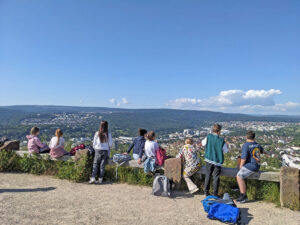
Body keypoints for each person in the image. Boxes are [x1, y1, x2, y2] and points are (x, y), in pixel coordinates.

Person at [201, 124, 230, 197]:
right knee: (216, 177)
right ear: (219, 131)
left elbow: (203, 143)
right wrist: (225, 144)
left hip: (208, 159)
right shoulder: (221, 140)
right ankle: (215, 194)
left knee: (208, 175)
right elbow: (225, 151)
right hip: (217, 161)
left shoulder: (209, 137)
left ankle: (206, 192)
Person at [236, 131, 263, 203]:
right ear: (254, 137)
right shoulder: (257, 144)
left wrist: (241, 166)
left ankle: (243, 196)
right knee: (241, 175)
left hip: (251, 165)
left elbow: (243, 157)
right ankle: (243, 195)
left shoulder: (246, 145)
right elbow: (262, 151)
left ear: (246, 137)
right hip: (257, 165)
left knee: (239, 176)